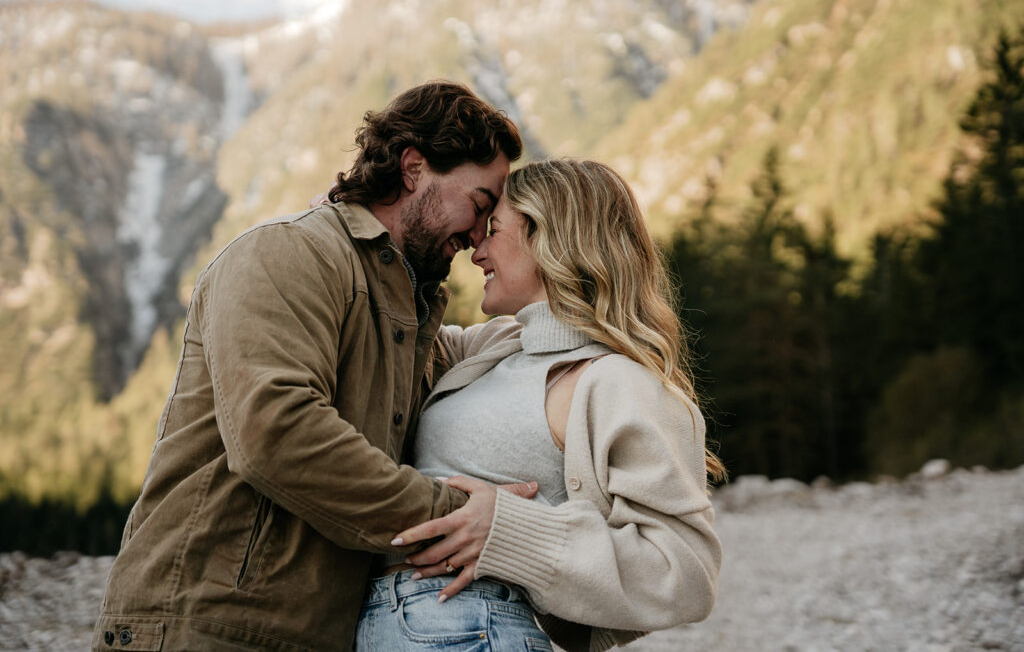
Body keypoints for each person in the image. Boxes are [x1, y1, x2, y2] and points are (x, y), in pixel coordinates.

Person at [92, 81, 528, 651]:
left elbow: (494, 349)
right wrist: (456, 517)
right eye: (479, 204)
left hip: (306, 634)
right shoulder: (286, 255)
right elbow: (277, 432)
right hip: (200, 625)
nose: (477, 237)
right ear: (415, 168)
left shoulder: (409, 316)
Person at [355, 159, 725, 651]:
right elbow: (390, 332)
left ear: (546, 238)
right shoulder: (495, 349)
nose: (477, 251)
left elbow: (686, 573)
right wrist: (351, 223)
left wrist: (510, 533)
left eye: (494, 230)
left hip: (472, 629)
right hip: (387, 625)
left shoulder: (617, 382)